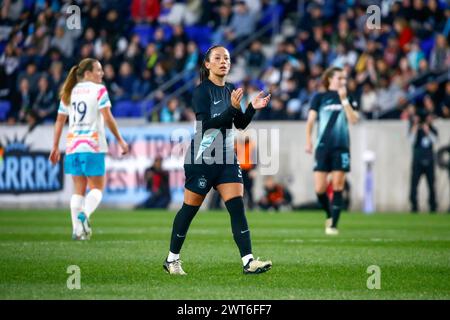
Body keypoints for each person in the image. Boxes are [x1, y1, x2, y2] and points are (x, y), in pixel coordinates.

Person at [164, 45, 272, 275]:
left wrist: (252, 107)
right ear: (207, 64)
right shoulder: (201, 91)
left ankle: (248, 261)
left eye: (227, 58)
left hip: (226, 158)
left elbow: (240, 123)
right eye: (218, 58)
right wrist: (232, 109)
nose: (223, 61)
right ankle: (172, 259)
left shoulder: (231, 89)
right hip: (202, 158)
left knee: (237, 207)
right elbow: (206, 126)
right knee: (189, 210)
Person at [49, 58, 129, 240]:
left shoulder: (68, 92)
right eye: (98, 70)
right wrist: (120, 140)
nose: (102, 73)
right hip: (92, 145)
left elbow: (59, 120)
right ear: (87, 74)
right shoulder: (99, 90)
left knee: (78, 189)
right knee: (97, 188)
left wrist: (54, 146)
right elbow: (107, 117)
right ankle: (84, 214)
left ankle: (78, 231)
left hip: (72, 145)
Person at [305, 66, 359, 235]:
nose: (343, 81)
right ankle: (329, 213)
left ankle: (333, 225)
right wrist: (308, 141)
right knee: (320, 189)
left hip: (341, 147)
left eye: (344, 78)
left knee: (337, 185)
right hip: (322, 147)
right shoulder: (319, 97)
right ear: (329, 79)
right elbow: (311, 121)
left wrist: (344, 101)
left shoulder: (349, 97)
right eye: (339, 78)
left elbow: (354, 120)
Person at [409, 108, 438, 213]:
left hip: (429, 161)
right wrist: (415, 127)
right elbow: (411, 140)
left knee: (431, 185)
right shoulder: (415, 129)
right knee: (414, 185)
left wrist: (427, 130)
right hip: (417, 161)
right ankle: (414, 206)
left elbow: (435, 140)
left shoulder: (432, 129)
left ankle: (433, 206)